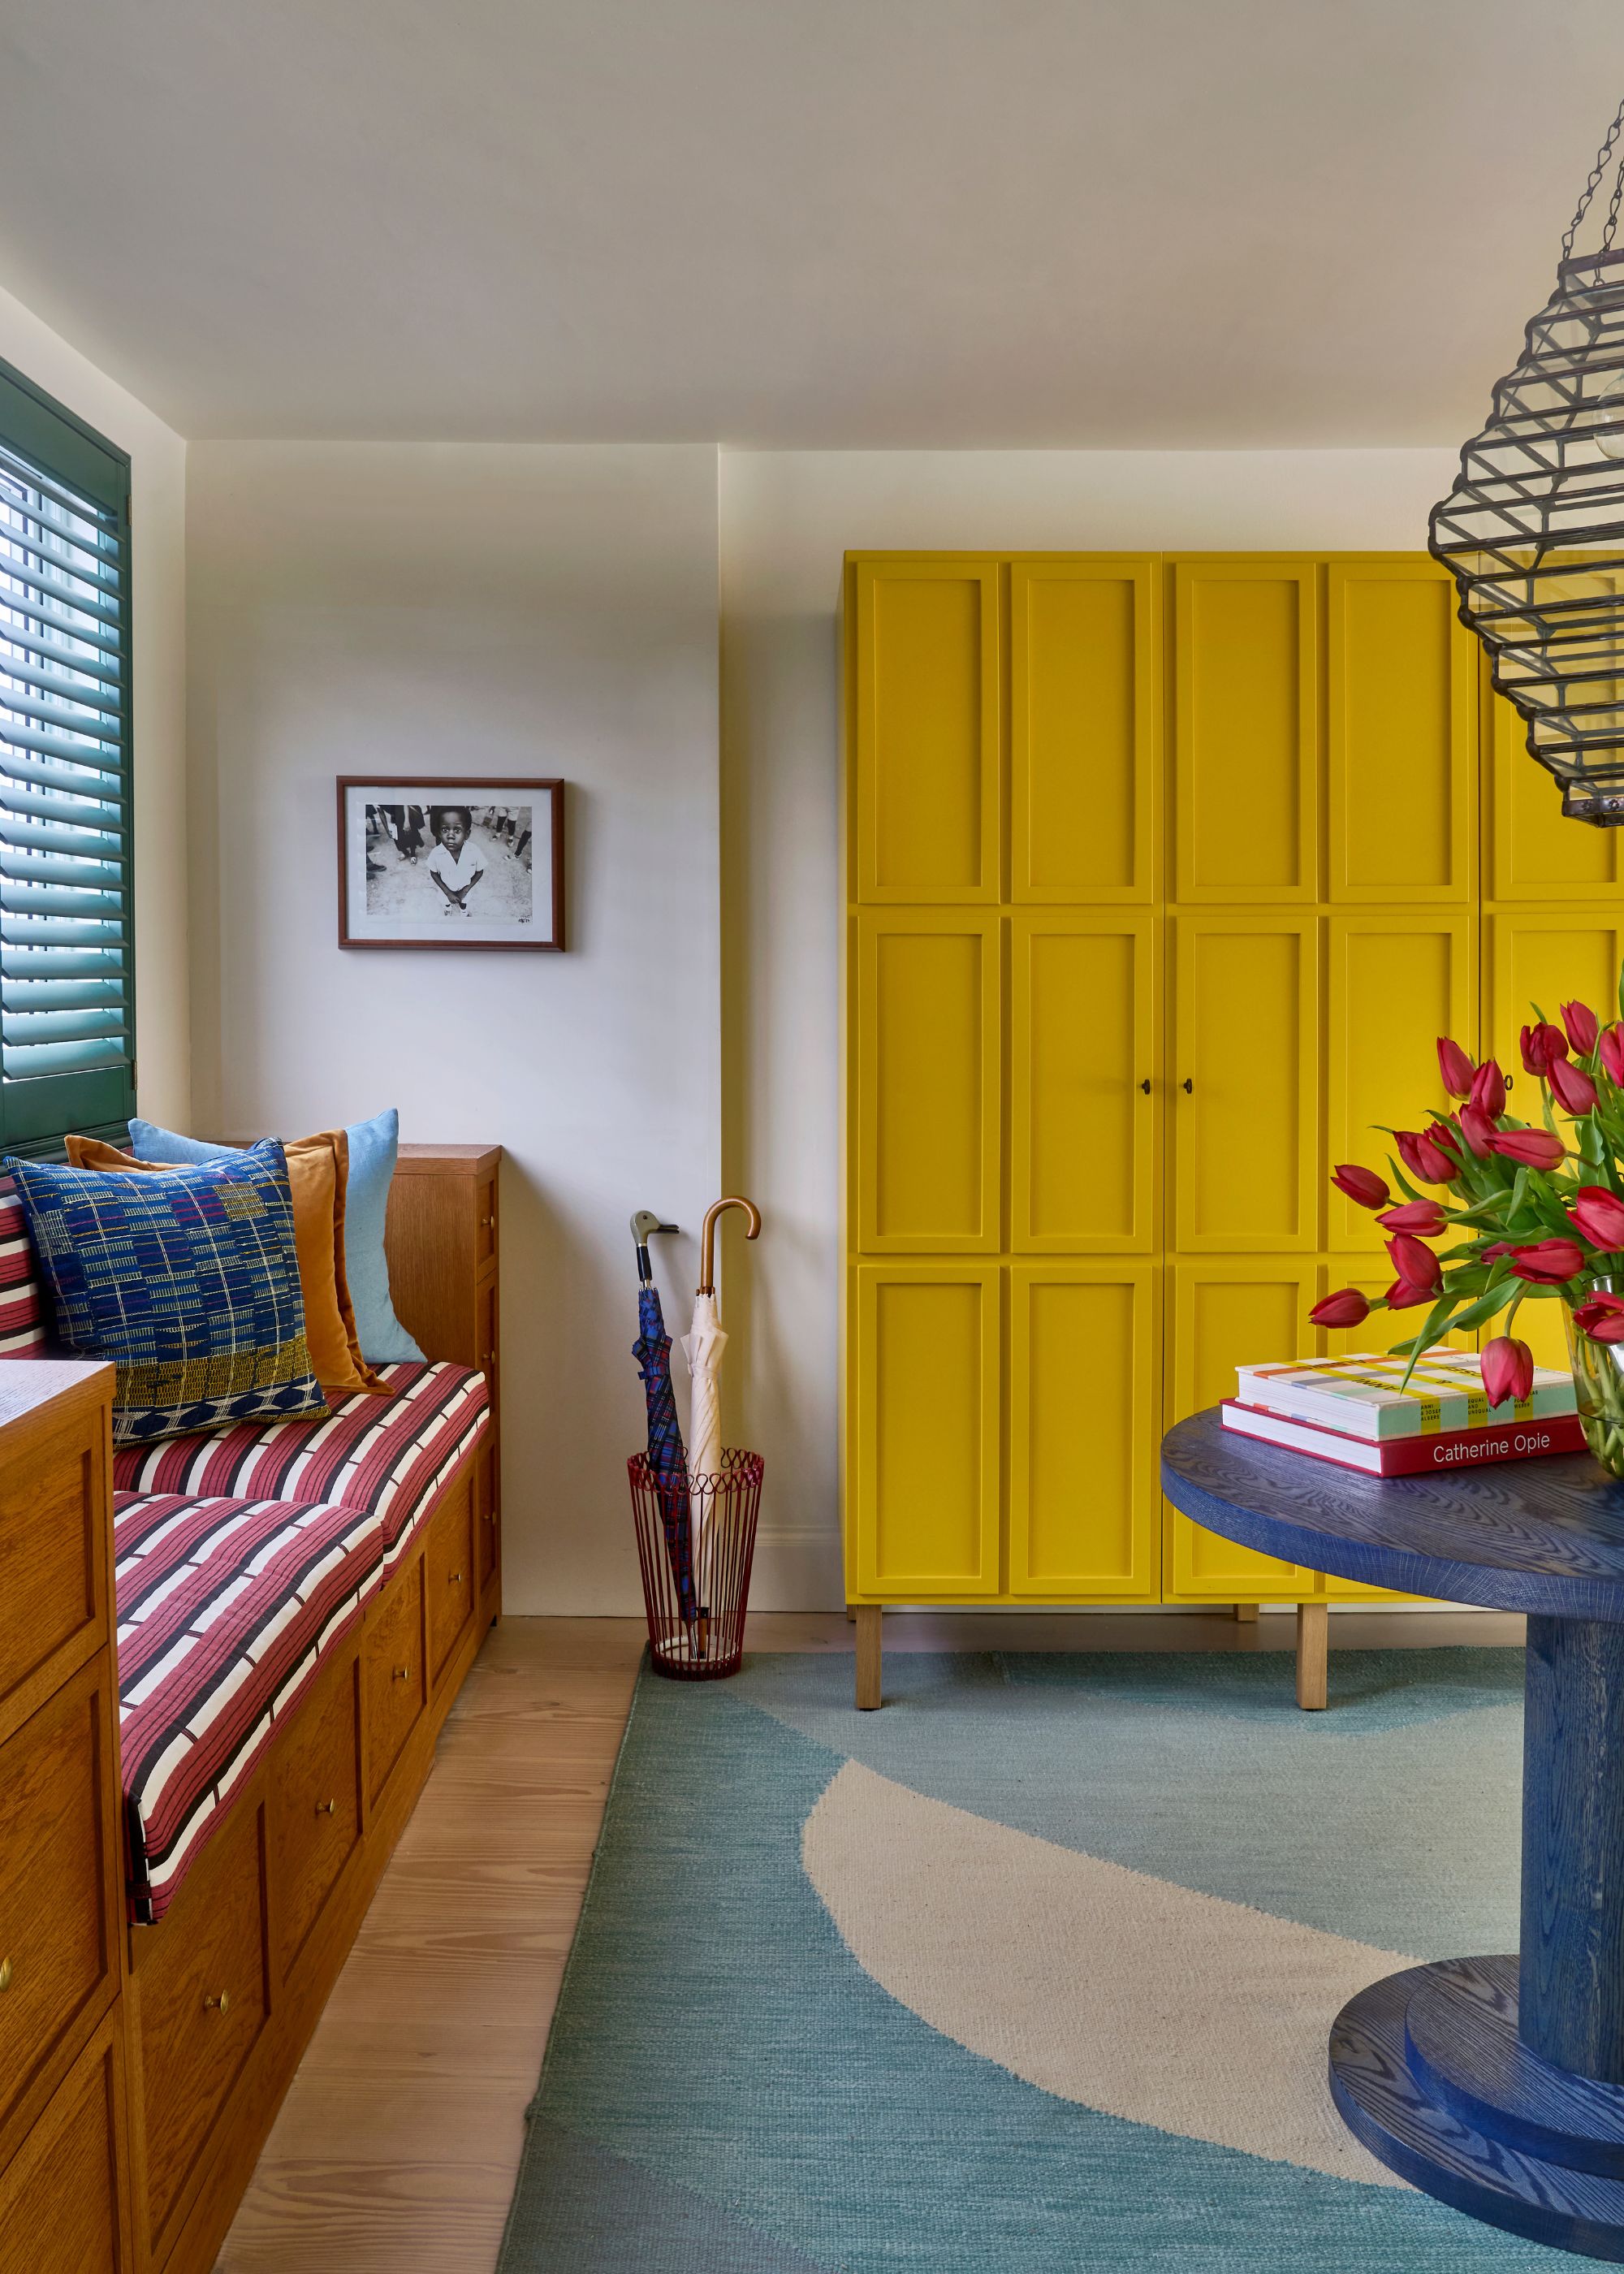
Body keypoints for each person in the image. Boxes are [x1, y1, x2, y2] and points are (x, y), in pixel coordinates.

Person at [425, 806, 485, 917]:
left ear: (467, 834)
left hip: (465, 888)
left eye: (457, 830)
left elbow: (480, 871)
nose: (450, 836)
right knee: (446, 902)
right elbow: (433, 873)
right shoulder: (436, 853)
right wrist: (447, 892)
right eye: (445, 830)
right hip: (445, 889)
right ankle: (448, 909)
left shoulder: (474, 851)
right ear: (439, 833)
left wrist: (466, 890)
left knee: (464, 902)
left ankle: (463, 912)